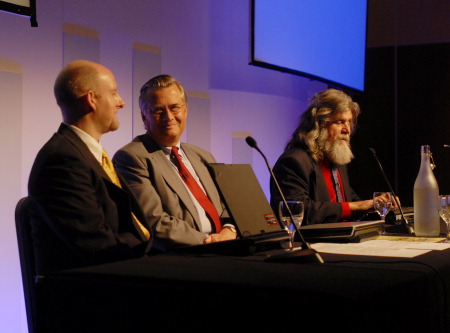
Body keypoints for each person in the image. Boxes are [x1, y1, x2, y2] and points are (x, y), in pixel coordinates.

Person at [28, 60, 152, 274]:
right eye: (113, 93)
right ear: (91, 99)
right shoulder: (62, 161)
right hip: (92, 293)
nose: (121, 102)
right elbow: (99, 249)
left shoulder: (81, 155)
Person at [113, 74, 237, 252]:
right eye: (158, 110)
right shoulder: (132, 157)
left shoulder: (203, 156)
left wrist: (229, 230)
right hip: (182, 255)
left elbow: (227, 205)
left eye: (174, 107)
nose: (168, 116)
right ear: (143, 117)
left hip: (226, 247)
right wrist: (209, 242)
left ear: (185, 110)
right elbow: (153, 221)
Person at [270, 88, 374, 225]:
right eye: (340, 122)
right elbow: (296, 211)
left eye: (349, 122)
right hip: (309, 242)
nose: (347, 130)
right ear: (319, 124)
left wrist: (377, 205)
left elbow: (349, 201)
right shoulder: (293, 161)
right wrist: (358, 206)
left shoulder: (336, 160)